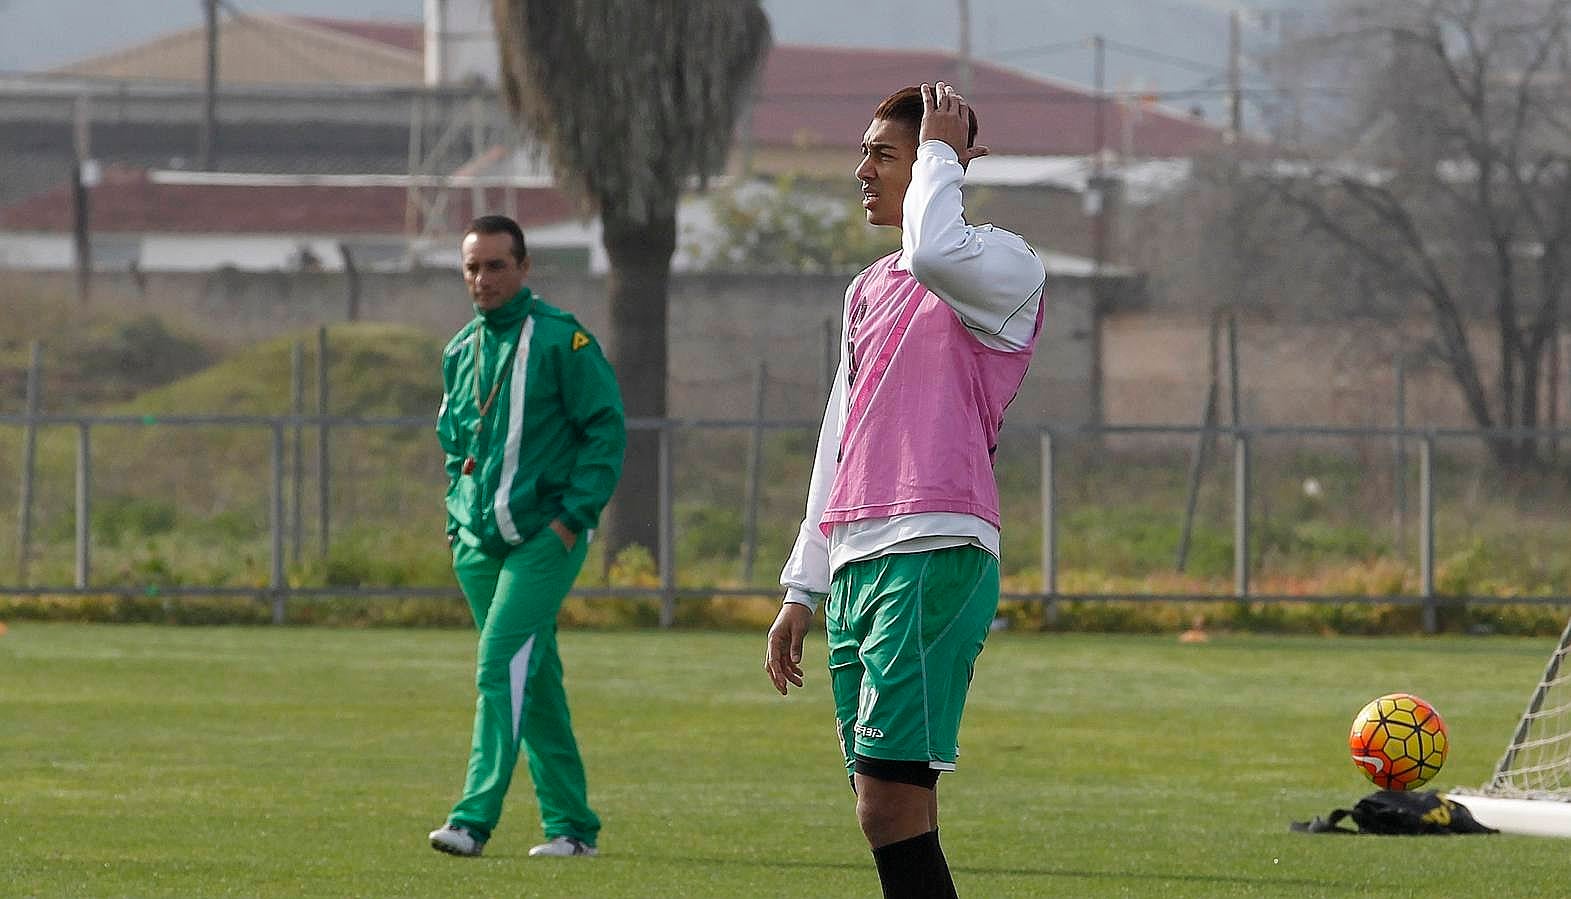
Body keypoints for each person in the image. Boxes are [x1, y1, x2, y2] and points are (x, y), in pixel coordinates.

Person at [764, 82, 1046, 898]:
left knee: (888, 802)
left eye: (883, 155)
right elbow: (838, 441)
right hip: (856, 560)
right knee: (884, 806)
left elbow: (933, 252)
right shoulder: (864, 287)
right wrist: (801, 586)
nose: (861, 171)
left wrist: (937, 160)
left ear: (945, 166)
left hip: (932, 549)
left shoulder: (1005, 263)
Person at [428, 214, 626, 859]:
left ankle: (471, 820)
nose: (481, 279)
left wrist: (574, 517)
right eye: (471, 267)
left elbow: (605, 429)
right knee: (533, 678)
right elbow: (455, 440)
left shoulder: (560, 342)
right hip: (478, 544)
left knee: (498, 666)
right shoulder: (461, 349)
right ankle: (572, 827)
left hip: (545, 537)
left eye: (495, 266)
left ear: (523, 268)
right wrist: (457, 517)